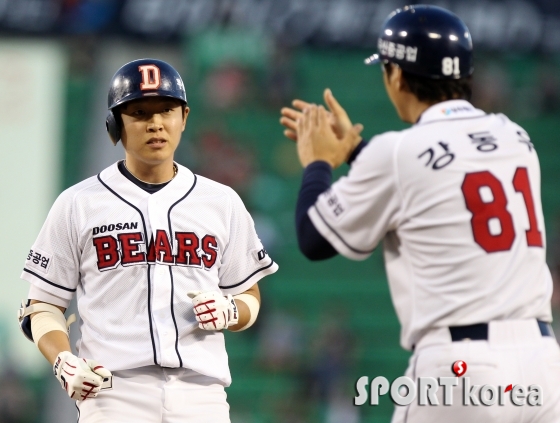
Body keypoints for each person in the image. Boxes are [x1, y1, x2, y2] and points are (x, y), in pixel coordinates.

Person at [280, 5, 560, 422]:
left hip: (462, 368)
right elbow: (439, 181)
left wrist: (319, 162)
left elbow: (313, 237)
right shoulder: (515, 135)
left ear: (396, 75)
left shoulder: (394, 152)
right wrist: (357, 154)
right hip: (542, 364)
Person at [18, 58, 278, 423]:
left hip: (201, 395)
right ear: (115, 124)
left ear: (184, 117)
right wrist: (63, 361)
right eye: (139, 112)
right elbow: (40, 308)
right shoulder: (78, 203)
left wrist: (231, 310)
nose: (156, 123)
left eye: (166, 110)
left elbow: (248, 295)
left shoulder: (221, 202)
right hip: (114, 395)